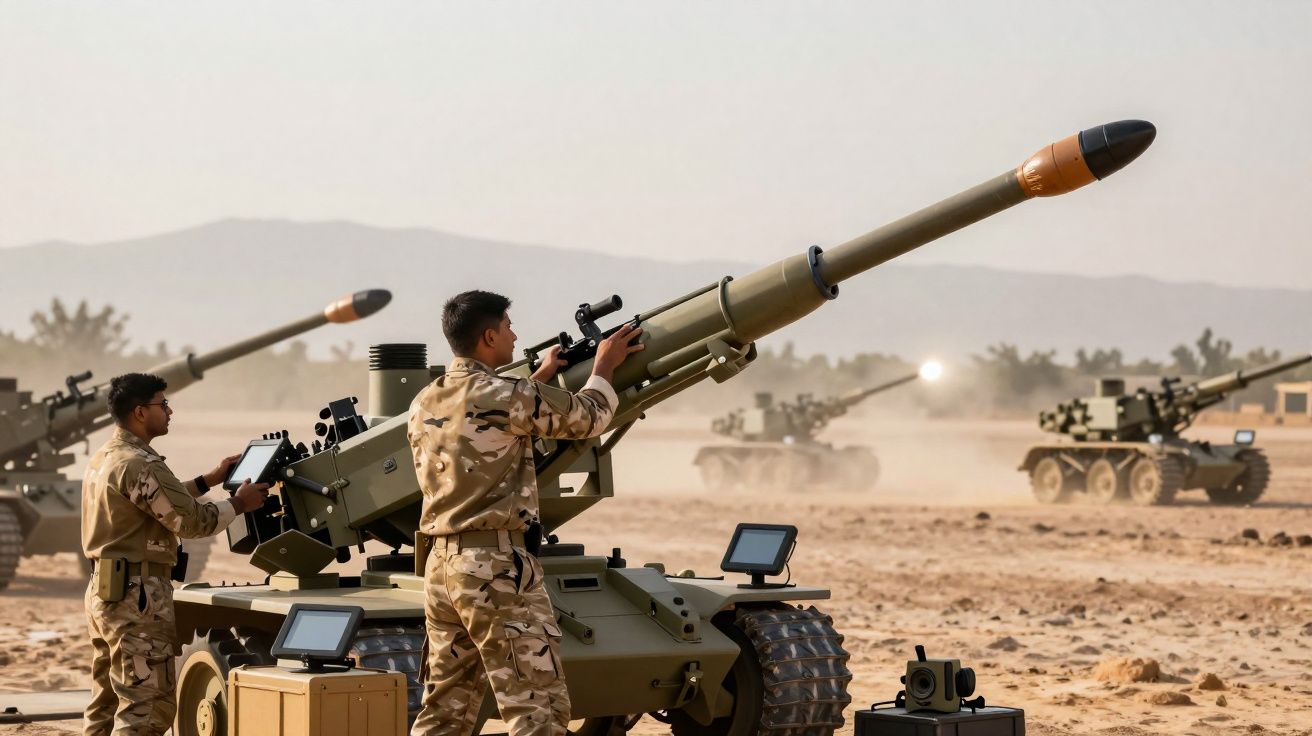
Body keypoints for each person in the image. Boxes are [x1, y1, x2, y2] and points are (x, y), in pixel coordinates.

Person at [408, 291, 643, 736]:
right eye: (509, 326)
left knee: (445, 711)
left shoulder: (426, 400)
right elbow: (589, 419)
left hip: (442, 568)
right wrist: (603, 367)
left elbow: (487, 424)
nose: (515, 335)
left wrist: (540, 377)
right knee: (537, 708)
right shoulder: (505, 394)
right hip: (494, 570)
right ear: (489, 335)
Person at [81, 373, 268, 736]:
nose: (169, 412)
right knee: (147, 708)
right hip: (138, 598)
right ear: (140, 412)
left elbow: (153, 500)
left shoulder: (108, 457)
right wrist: (239, 504)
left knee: (105, 704)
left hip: (106, 591)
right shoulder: (141, 464)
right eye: (162, 404)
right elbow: (191, 522)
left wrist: (208, 480)